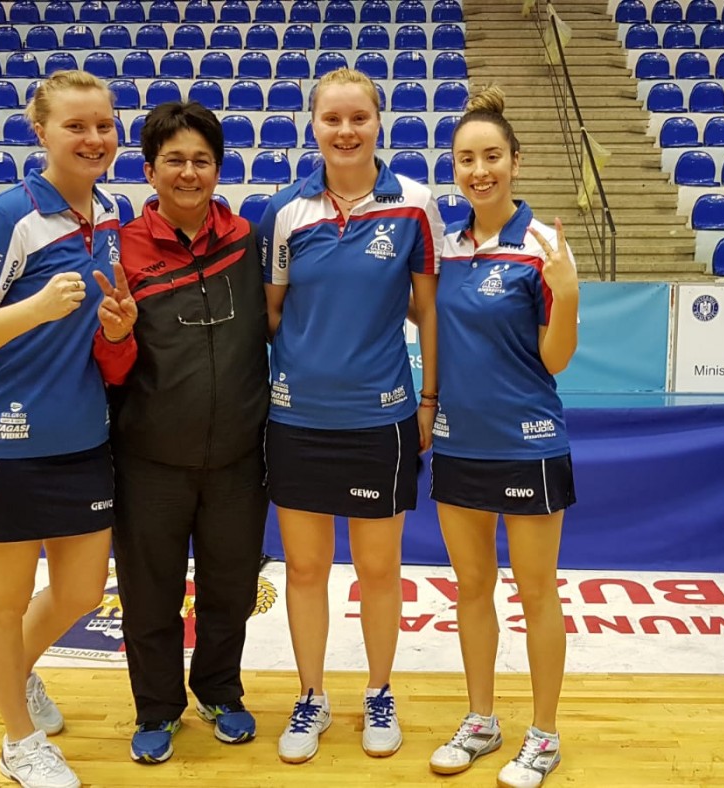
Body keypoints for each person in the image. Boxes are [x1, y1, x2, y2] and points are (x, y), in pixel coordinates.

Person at [0, 69, 134, 788]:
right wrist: (37, 307)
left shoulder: (110, 213)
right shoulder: (7, 218)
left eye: (103, 125)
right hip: (2, 446)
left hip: (83, 439)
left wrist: (117, 325)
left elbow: (99, 331)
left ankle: (15, 675)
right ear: (40, 131)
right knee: (4, 602)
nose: (93, 138)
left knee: (80, 593)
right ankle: (18, 740)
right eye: (75, 126)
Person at [256, 67, 443, 764]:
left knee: (379, 569)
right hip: (297, 420)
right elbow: (271, 316)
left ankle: (379, 691)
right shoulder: (284, 211)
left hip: (380, 418)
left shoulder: (416, 205)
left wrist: (429, 399)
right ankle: (311, 696)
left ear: (379, 121)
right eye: (331, 118)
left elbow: (429, 313)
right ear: (313, 125)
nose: (345, 130)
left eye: (358, 117)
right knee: (305, 570)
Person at [92, 100, 270, 765]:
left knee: (231, 590)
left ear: (218, 170)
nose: (188, 172)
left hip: (238, 459)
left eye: (201, 160)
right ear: (149, 170)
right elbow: (112, 368)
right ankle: (157, 707)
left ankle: (220, 691)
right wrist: (116, 335)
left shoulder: (246, 240)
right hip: (149, 459)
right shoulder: (122, 249)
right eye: (174, 160)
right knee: (150, 596)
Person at [424, 86, 579, 788]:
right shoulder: (447, 246)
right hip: (459, 443)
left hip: (528, 443)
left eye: (491, 157)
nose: (479, 170)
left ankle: (543, 734)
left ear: (516, 161)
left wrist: (567, 294)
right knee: (472, 587)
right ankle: (482, 719)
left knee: (537, 592)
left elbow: (555, 359)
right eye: (466, 159)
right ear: (454, 168)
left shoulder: (543, 245)